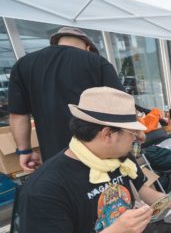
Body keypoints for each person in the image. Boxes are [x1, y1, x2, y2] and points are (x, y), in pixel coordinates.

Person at [18, 87, 171, 233]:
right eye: (131, 133)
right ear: (107, 134)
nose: (140, 137)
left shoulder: (118, 158)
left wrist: (165, 201)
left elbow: (144, 190)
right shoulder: (46, 187)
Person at [8, 26, 125, 172]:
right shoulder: (96, 62)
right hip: (98, 153)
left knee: (66, 193)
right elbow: (122, 106)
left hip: (55, 158)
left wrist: (24, 151)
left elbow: (18, 115)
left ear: (57, 43)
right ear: (88, 47)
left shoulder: (22, 65)